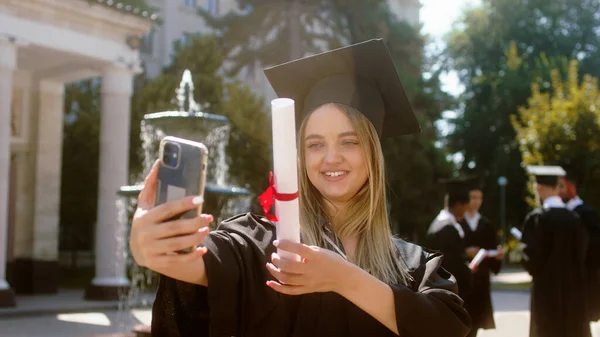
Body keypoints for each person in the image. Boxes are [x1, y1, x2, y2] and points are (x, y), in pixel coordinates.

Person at [129, 39, 471, 337]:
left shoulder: (412, 264)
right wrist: (155, 249)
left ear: (373, 154)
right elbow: (202, 265)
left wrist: (344, 279)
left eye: (349, 142)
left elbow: (447, 328)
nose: (331, 158)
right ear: (299, 155)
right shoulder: (264, 245)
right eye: (315, 144)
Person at [520, 165, 590, 337]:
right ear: (558, 187)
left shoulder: (537, 218)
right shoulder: (575, 218)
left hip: (546, 291)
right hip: (573, 291)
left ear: (539, 188)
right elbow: (583, 254)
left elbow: (530, 259)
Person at [459, 178, 502, 337]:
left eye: (479, 198)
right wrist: (466, 252)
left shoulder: (486, 224)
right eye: (473, 197)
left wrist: (497, 257)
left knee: (475, 323)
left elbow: (492, 253)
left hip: (480, 280)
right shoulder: (458, 223)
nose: (476, 202)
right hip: (463, 279)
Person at [558, 165, 600, 322]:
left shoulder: (585, 214)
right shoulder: (558, 213)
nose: (559, 191)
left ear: (572, 187)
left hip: (583, 279)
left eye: (562, 186)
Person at [425, 178, 473, 314]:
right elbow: (455, 266)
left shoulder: (438, 224)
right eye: (465, 206)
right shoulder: (447, 228)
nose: (465, 211)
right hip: (448, 293)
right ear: (458, 204)